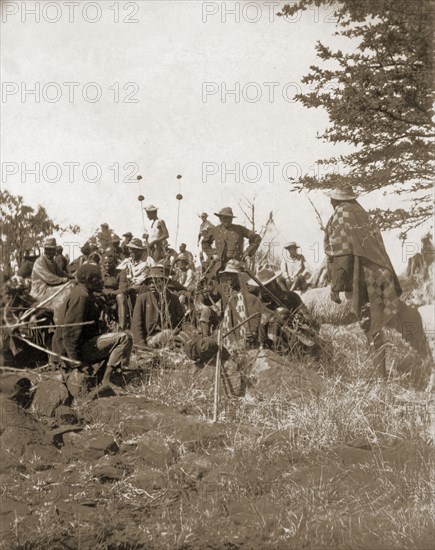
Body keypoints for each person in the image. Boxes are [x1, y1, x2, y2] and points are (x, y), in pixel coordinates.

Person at [323, 183, 424, 376]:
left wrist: (336, 286)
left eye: (331, 199)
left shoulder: (341, 214)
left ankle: (381, 378)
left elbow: (343, 253)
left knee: (370, 324)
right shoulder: (361, 212)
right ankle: (392, 370)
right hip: (380, 272)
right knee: (377, 321)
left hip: (364, 277)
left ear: (335, 199)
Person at [53, 264, 132, 388]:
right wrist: (78, 363)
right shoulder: (81, 297)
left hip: (71, 350)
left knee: (115, 336)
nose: (102, 281)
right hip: (69, 354)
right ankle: (106, 380)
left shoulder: (83, 293)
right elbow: (70, 334)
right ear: (89, 279)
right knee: (124, 338)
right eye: (98, 279)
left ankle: (104, 376)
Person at [247, 266, 318, 354]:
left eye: (267, 286)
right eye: (261, 287)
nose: (264, 291)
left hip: (296, 345)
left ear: (274, 283)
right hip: (270, 350)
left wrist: (299, 319)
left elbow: (309, 318)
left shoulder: (291, 297)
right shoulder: (257, 305)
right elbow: (254, 329)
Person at [132, 265, 185, 349]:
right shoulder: (142, 299)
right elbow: (137, 325)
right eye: (150, 283)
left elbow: (182, 321)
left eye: (156, 282)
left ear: (164, 283)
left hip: (171, 337)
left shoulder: (173, 298)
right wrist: (141, 346)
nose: (152, 285)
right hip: (151, 340)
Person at [219, 260, 264, 348]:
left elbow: (256, 315)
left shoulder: (249, 294)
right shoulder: (230, 291)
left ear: (239, 276)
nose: (229, 279)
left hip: (246, 335)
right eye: (228, 275)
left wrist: (252, 331)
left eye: (232, 275)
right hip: (232, 334)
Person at [116, 238, 153, 329]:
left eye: (133, 249)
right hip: (129, 286)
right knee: (120, 296)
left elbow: (153, 273)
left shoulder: (148, 260)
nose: (130, 250)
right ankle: (122, 326)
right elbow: (118, 272)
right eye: (130, 248)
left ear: (140, 250)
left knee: (131, 291)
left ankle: (136, 324)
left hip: (143, 286)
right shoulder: (128, 261)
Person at [30, 237, 72, 301]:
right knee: (68, 290)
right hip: (40, 291)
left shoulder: (53, 262)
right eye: (48, 249)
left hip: (50, 288)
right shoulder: (40, 261)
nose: (51, 252)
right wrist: (63, 280)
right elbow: (49, 277)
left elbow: (61, 273)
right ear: (45, 250)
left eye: (53, 250)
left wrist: (72, 276)